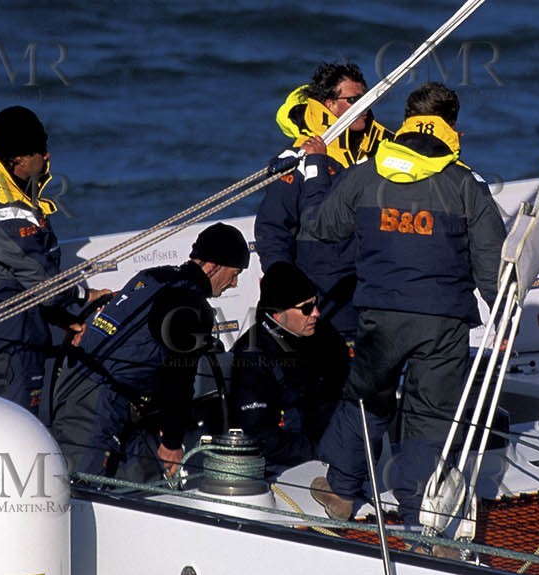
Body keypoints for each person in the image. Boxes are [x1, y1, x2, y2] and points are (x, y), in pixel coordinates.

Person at [302, 82, 506, 525]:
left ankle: (341, 490)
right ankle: (419, 518)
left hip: (381, 317)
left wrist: (317, 168)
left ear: (406, 120)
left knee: (366, 400)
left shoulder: (366, 173)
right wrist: (504, 321)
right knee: (430, 418)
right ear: (453, 128)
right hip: (444, 323)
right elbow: (492, 268)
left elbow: (321, 227)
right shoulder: (466, 185)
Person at [48, 222, 249, 486]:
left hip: (73, 381)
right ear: (212, 266)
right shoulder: (191, 307)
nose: (234, 283)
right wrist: (172, 443)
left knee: (109, 480)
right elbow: (178, 378)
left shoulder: (154, 276)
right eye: (234, 274)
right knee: (82, 489)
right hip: (98, 401)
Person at [0, 106, 93, 414]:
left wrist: (63, 319)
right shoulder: (3, 209)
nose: (48, 156)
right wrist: (82, 296)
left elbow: (20, 279)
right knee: (13, 438)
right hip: (5, 345)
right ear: (19, 159)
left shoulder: (1, 188)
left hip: (12, 337)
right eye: (40, 150)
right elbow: (42, 283)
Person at [254, 61, 391, 339]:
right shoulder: (298, 159)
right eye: (354, 100)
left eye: (366, 98)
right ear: (330, 104)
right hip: (320, 299)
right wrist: (286, 289)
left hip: (370, 293)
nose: (363, 106)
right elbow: (272, 229)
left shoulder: (381, 152)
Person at [213, 261, 349, 476]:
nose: (316, 313)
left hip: (335, 452)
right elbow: (260, 433)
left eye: (316, 304)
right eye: (306, 308)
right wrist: (322, 452)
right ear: (278, 315)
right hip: (283, 466)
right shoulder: (252, 356)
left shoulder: (325, 337)